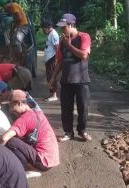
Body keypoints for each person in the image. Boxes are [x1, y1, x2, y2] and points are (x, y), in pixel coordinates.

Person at [49, 13, 92, 142]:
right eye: (61, 27)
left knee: (83, 108)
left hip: (81, 80)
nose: (62, 30)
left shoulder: (84, 37)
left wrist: (69, 46)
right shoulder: (62, 42)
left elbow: (83, 55)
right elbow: (60, 61)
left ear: (71, 24)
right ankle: (68, 132)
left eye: (64, 27)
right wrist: (53, 78)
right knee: (66, 108)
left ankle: (82, 131)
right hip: (66, 80)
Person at [0, 90, 59, 178]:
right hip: (51, 159)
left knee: (10, 141)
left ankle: (29, 169)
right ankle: (29, 167)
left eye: (11, 106)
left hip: (43, 161)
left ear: (19, 103)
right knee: (16, 139)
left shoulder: (25, 118)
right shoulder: (37, 112)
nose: (11, 110)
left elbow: (4, 138)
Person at [41, 19, 60, 102]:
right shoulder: (50, 34)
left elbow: (57, 48)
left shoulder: (53, 34)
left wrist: (56, 59)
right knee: (49, 77)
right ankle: (52, 94)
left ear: (47, 28)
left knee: (52, 76)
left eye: (43, 28)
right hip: (49, 59)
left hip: (52, 59)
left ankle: (54, 95)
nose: (43, 30)